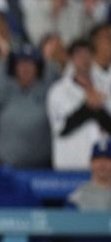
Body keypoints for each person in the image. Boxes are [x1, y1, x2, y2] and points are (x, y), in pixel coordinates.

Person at [47, 40, 111, 170]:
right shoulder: (58, 91)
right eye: (79, 55)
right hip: (70, 165)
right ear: (70, 58)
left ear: (93, 57)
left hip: (104, 169)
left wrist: (97, 109)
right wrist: (87, 107)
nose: (84, 59)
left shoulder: (106, 86)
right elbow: (61, 129)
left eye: (88, 54)